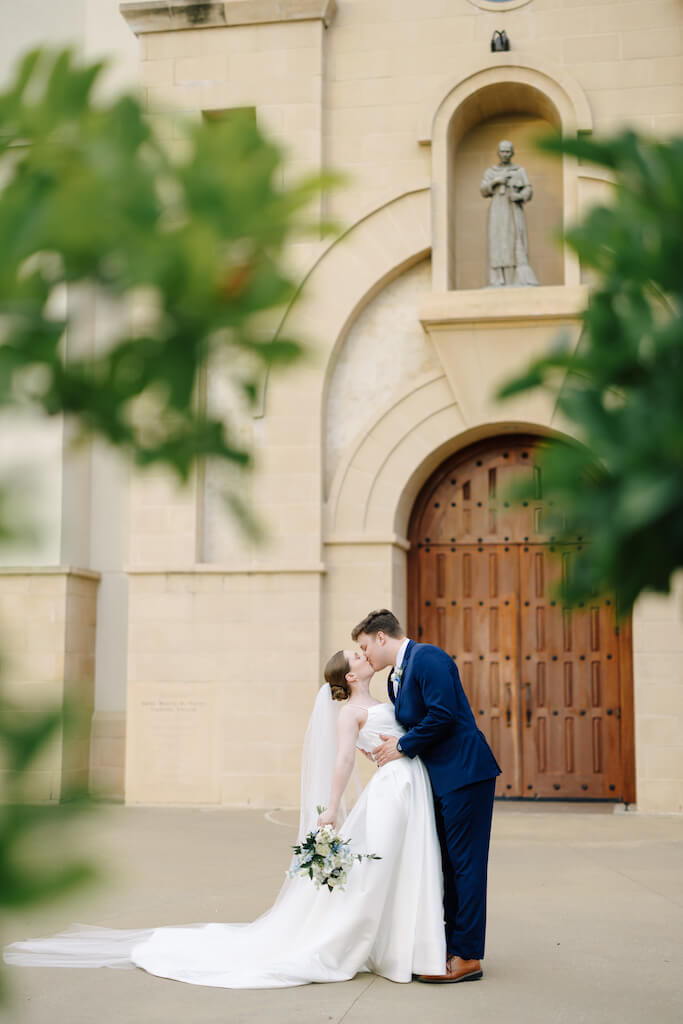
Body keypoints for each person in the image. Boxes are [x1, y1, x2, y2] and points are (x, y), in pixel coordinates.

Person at [3, 649, 446, 988]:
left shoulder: (390, 695)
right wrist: (330, 809)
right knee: (372, 873)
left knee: (392, 867)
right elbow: (344, 761)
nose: (364, 655)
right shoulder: (351, 712)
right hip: (386, 791)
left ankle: (398, 943)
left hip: (403, 787)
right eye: (356, 656)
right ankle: (362, 943)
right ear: (350, 676)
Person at [352, 609, 501, 984]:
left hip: (465, 773)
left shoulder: (428, 657)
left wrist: (401, 745)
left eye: (364, 645)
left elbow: (444, 715)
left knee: (466, 865)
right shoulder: (394, 680)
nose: (364, 653)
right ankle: (447, 945)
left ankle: (468, 956)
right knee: (448, 864)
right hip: (438, 779)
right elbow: (414, 724)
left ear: (381, 637)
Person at [480, 139, 538, 287]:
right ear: (498, 153)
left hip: (513, 208)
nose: (505, 154)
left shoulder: (519, 170)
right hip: (497, 210)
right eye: (502, 151)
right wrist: (496, 181)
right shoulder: (491, 171)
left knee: (513, 242)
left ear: (512, 153)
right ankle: (498, 279)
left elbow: (528, 190)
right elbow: (483, 190)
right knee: (497, 242)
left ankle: (515, 279)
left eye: (507, 151)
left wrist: (520, 196)